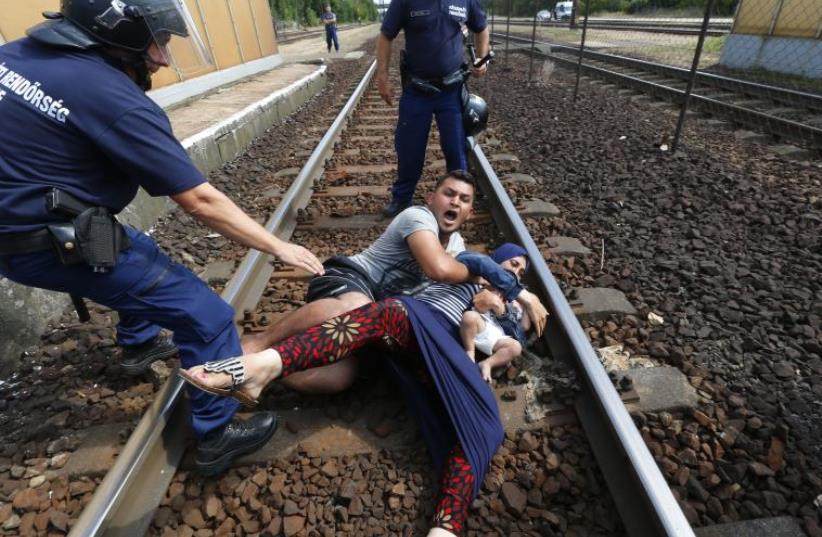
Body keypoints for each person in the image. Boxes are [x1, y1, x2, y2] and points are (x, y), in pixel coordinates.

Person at [0, 0, 324, 476]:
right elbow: (200, 200)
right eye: (161, 41)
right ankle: (217, 434)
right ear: (121, 33)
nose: (165, 58)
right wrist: (278, 246)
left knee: (133, 249)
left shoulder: (15, 54)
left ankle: (139, 344)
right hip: (42, 242)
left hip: (24, 226)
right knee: (209, 317)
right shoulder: (112, 98)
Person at [180, 265, 529, 536]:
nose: (514, 273)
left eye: (521, 271)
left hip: (451, 363)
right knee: (394, 310)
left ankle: (445, 528)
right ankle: (265, 364)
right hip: (417, 330)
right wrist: (520, 292)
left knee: (487, 430)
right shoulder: (466, 273)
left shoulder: (509, 315)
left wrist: (513, 311)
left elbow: (515, 345)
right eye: (510, 264)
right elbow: (473, 264)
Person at [242, 171, 548, 393]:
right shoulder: (418, 216)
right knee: (356, 307)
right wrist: (518, 292)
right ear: (431, 198)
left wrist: (489, 303)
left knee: (338, 378)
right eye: (449, 194)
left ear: (469, 212)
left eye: (464, 199)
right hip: (351, 279)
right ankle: (258, 342)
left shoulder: (458, 246)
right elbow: (439, 270)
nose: (455, 201)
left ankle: (267, 370)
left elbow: (456, 298)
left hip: (375, 314)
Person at [376, 0, 490, 218]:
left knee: (456, 149)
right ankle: (401, 199)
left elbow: (482, 29)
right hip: (417, 89)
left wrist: (482, 59)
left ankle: (459, 201)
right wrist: (382, 76)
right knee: (409, 148)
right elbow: (385, 36)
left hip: (452, 90)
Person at [459, 243, 531, 383]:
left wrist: (505, 309)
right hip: (476, 325)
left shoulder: (517, 297)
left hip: (495, 336)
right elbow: (464, 258)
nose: (516, 273)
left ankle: (487, 363)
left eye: (521, 273)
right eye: (514, 264)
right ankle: (470, 352)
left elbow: (522, 335)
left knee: (515, 347)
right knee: (470, 317)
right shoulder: (478, 276)